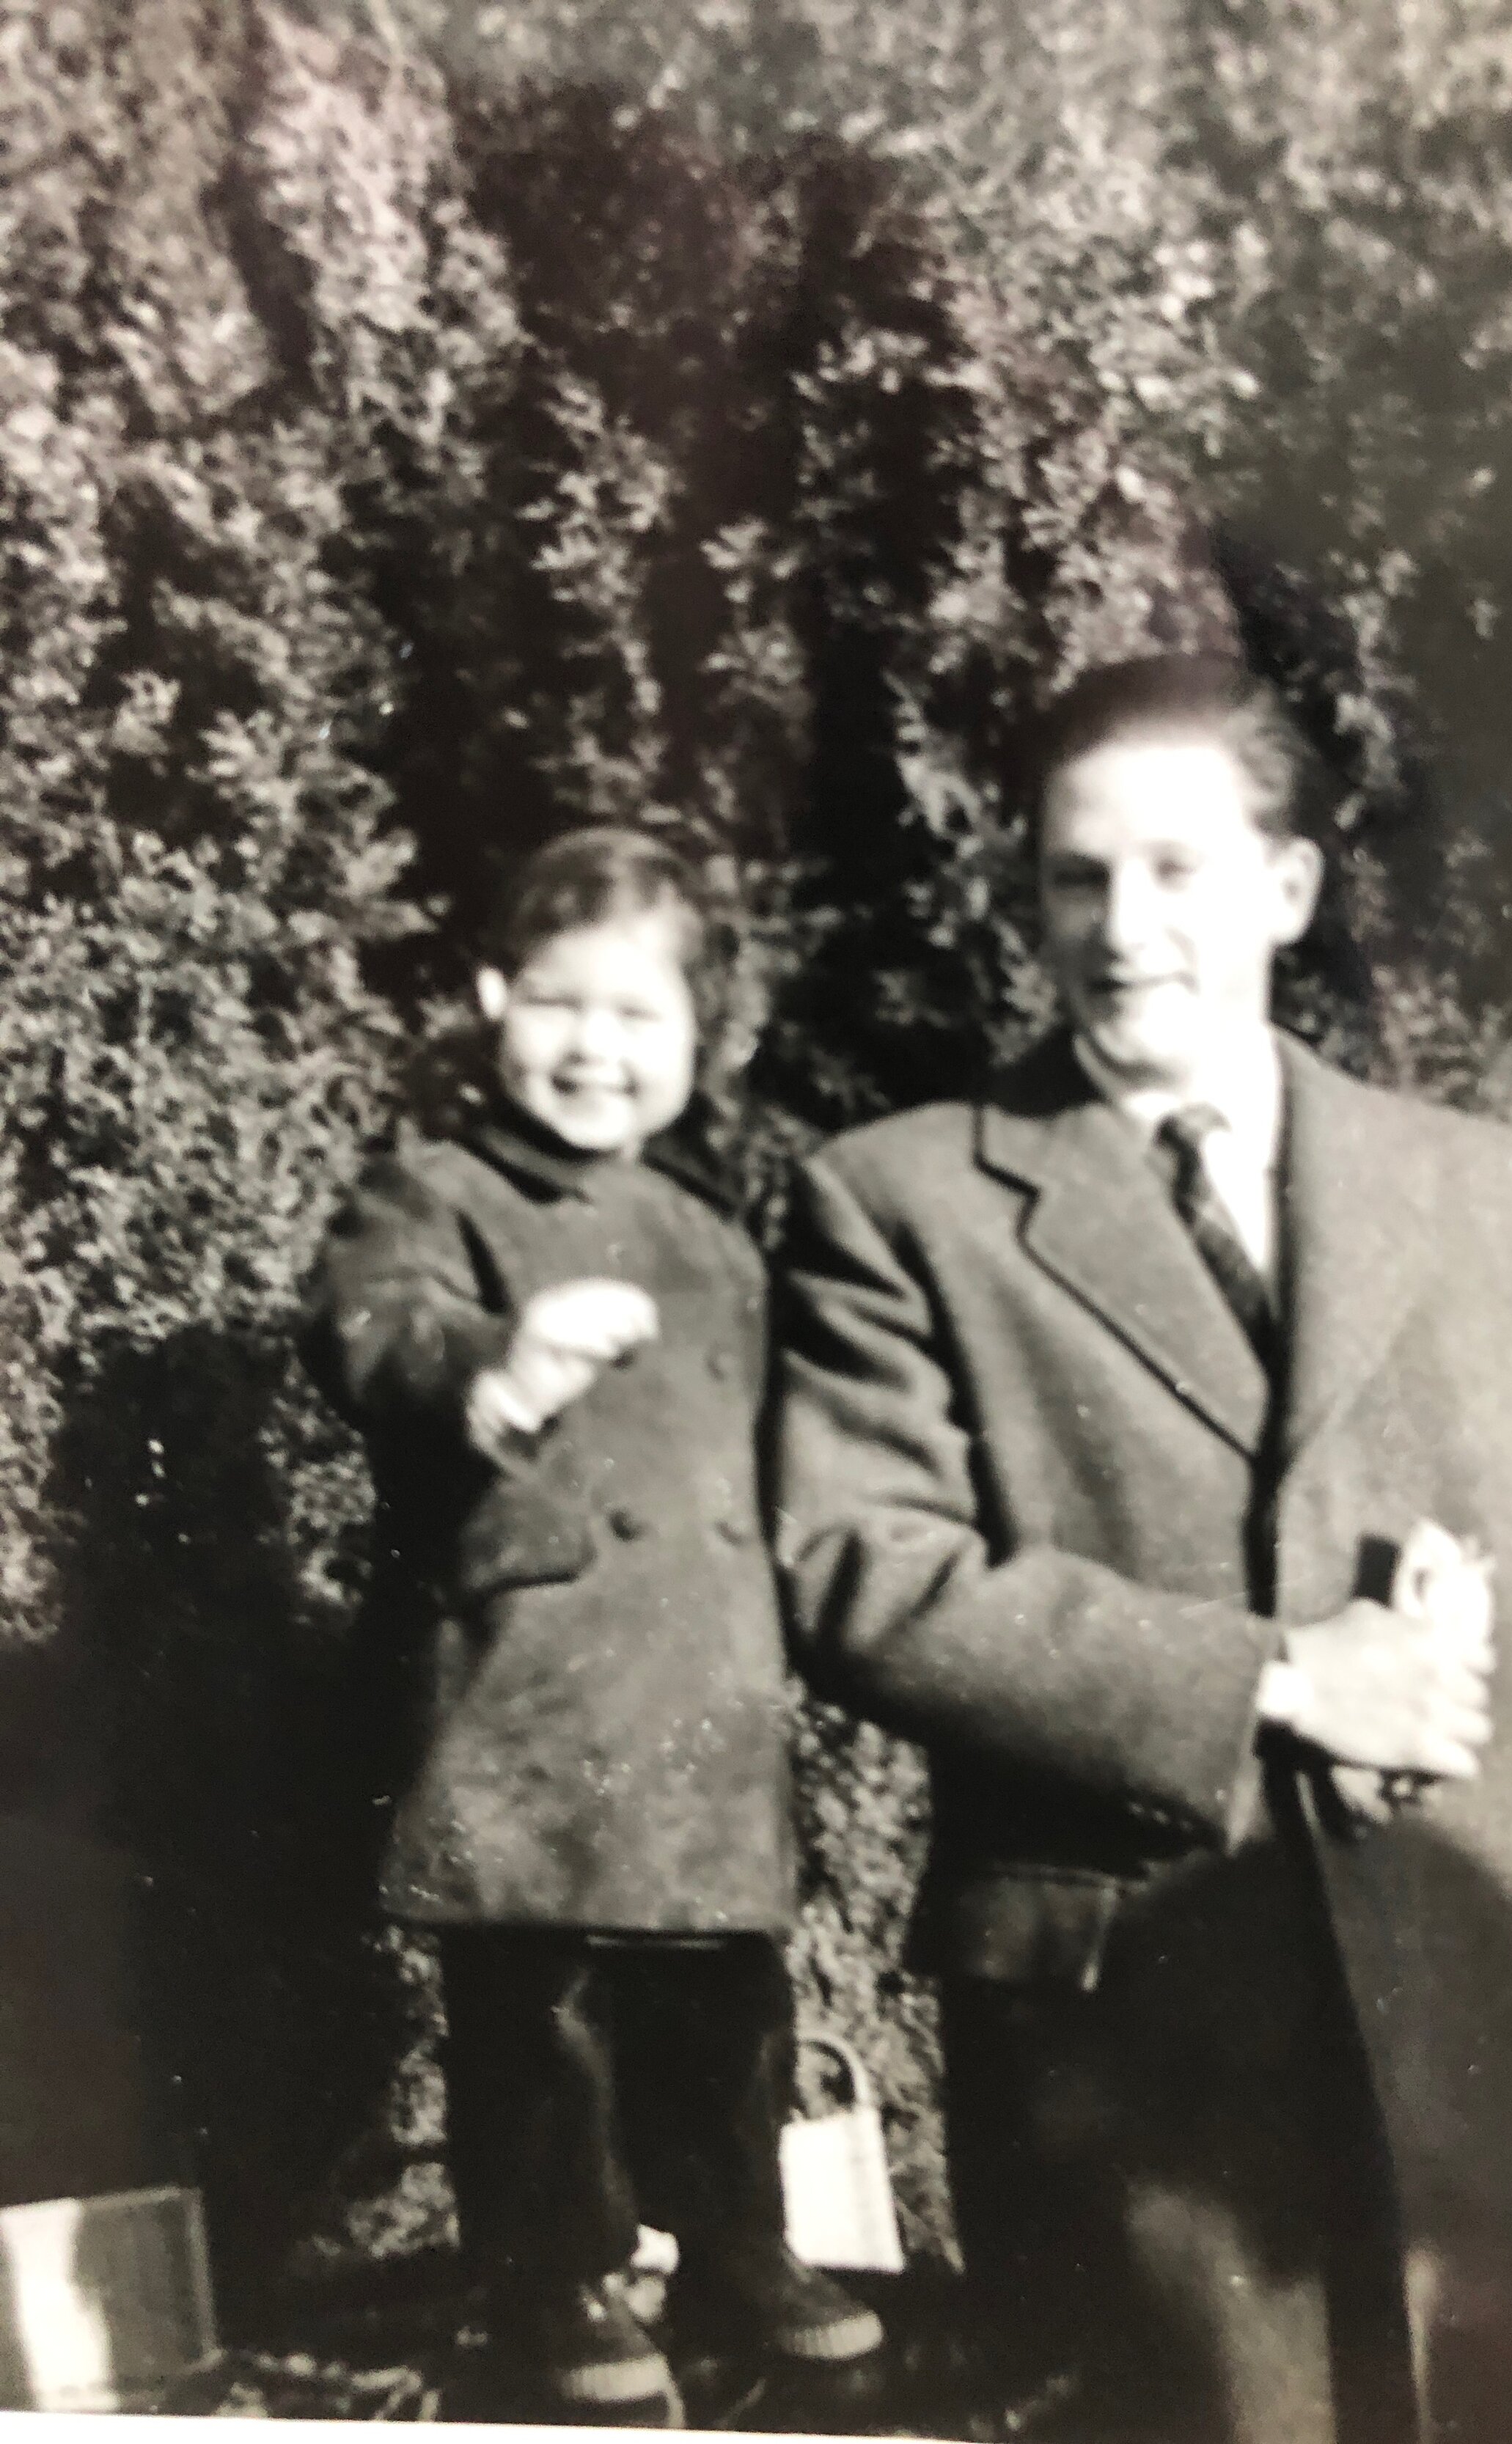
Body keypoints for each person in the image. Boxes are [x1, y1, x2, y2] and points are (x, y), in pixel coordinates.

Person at [770, 656, 1512, 2444]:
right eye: (1077, 876)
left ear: (1285, 889)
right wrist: (1283, 1679)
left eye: (1176, 868)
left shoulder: (1488, 1190)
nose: (1122, 926)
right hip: (1153, 2078)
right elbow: (858, 1565)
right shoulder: (899, 1200)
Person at [302, 827, 881, 2424]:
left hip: (699, 1690)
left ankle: (736, 2245)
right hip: (532, 1686)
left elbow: (780, 1444)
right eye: (562, 1006)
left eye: (639, 1019)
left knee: (724, 1994)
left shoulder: (713, 1241)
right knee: (540, 2005)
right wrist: (494, 1361)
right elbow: (369, 1326)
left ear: (702, 1042)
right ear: (495, 997)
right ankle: (548, 2268)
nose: (594, 1049)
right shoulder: (436, 1189)